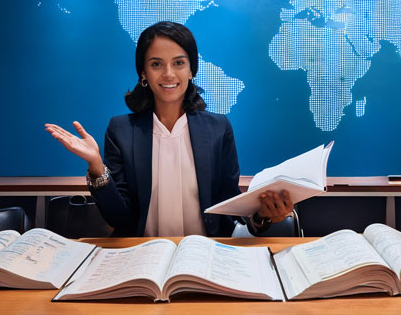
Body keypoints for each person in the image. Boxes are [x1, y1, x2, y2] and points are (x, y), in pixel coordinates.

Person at [45, 21, 293, 236]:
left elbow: (228, 210)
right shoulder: (120, 130)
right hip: (142, 258)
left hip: (206, 256)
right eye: (156, 64)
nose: (168, 74)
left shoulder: (218, 129)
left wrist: (262, 217)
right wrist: (97, 167)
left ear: (191, 70)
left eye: (178, 63)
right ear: (143, 72)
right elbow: (118, 218)